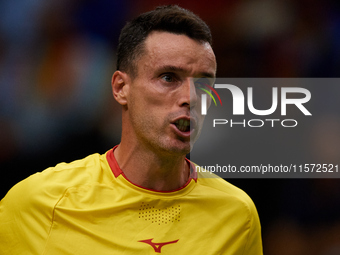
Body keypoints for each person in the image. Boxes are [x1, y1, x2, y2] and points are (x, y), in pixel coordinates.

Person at [0, 5, 262, 254]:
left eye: (204, 84)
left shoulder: (238, 215)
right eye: (168, 77)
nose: (191, 97)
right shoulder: (37, 204)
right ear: (120, 88)